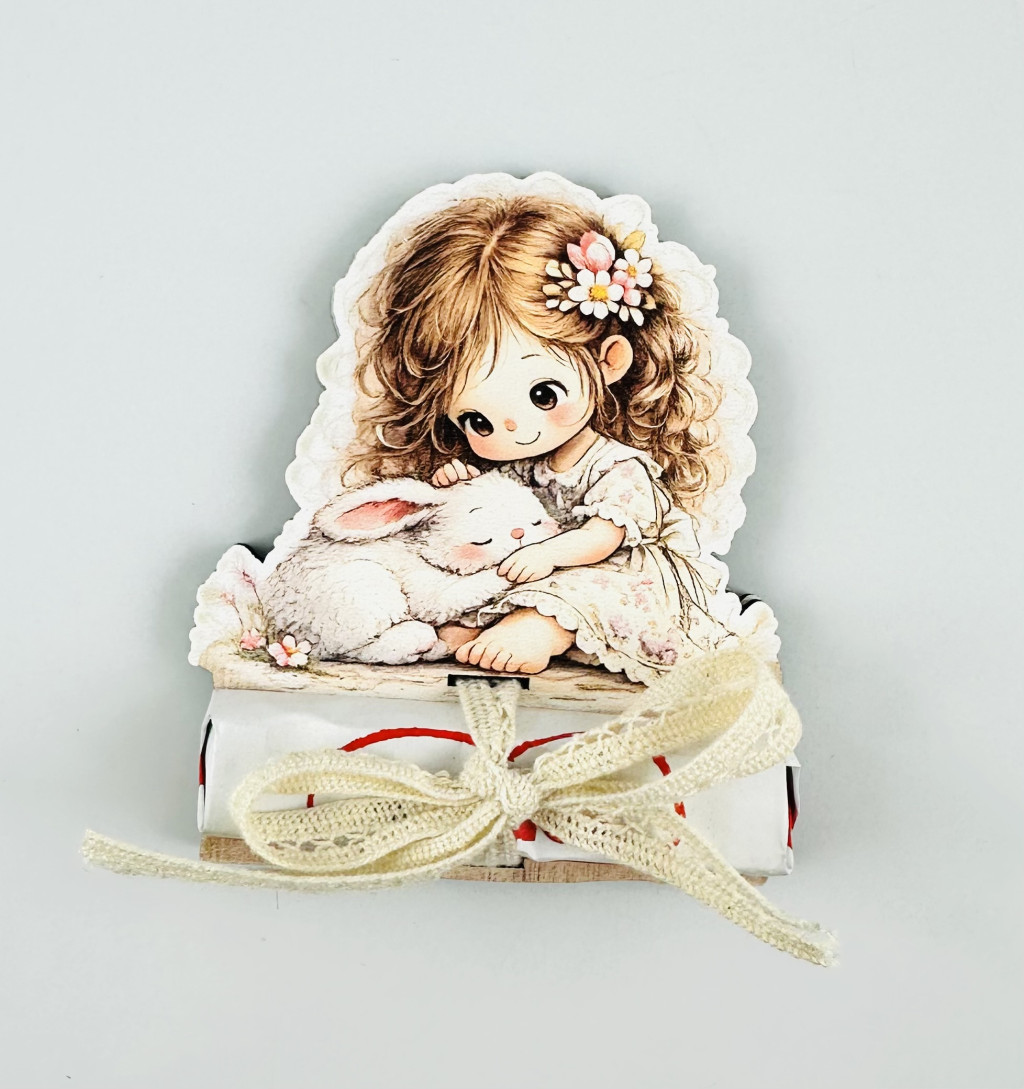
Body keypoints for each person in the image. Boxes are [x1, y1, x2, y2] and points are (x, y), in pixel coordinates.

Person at [343, 195, 735, 682]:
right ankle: (493, 625)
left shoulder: (618, 467)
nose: (513, 429)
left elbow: (601, 539)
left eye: (543, 394)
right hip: (532, 567)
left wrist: (547, 554)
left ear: (609, 361)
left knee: (582, 586)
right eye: (478, 421)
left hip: (610, 573)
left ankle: (537, 628)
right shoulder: (515, 468)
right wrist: (462, 491)